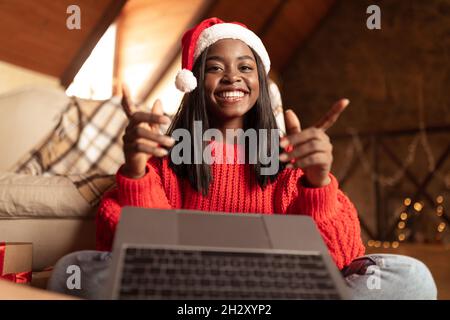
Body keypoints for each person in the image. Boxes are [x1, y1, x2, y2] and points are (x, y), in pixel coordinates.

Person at [48, 17, 437, 300]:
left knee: (410, 276)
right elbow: (134, 251)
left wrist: (317, 183)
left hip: (278, 290)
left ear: (260, 85)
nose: (232, 76)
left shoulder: (290, 159)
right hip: (189, 288)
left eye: (245, 67)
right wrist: (136, 171)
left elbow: (342, 258)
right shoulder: (167, 160)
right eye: (215, 68)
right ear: (196, 83)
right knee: (74, 270)